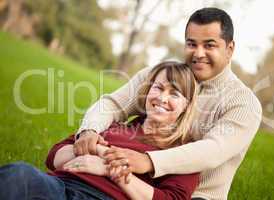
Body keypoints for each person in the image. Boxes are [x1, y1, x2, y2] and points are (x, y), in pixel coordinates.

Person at [74, 7, 262, 200]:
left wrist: (148, 161)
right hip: (135, 183)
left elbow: (213, 150)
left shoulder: (244, 103)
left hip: (197, 196)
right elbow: (112, 104)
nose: (198, 53)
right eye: (191, 44)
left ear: (229, 49)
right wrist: (90, 129)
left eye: (209, 45)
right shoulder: (159, 76)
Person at [0, 61, 200, 200]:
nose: (162, 98)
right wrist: (96, 149)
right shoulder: (116, 126)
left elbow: (171, 198)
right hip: (59, 186)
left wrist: (109, 169)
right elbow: (54, 156)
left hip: (105, 197)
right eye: (158, 88)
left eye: (174, 93)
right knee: (19, 175)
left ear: (186, 105)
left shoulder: (181, 152)